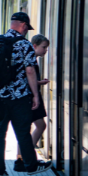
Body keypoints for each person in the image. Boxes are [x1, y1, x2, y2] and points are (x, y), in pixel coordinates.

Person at [0, 12, 43, 176]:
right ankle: (31, 166)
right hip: (19, 97)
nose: (26, 32)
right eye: (27, 29)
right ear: (23, 25)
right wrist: (35, 95)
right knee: (23, 132)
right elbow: (30, 71)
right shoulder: (25, 44)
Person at [29, 34, 52, 165]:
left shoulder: (32, 58)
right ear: (35, 46)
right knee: (39, 126)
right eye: (44, 47)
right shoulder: (30, 59)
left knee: (35, 127)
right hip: (33, 97)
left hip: (32, 96)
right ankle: (27, 157)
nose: (45, 50)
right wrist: (39, 83)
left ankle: (27, 157)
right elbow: (27, 79)